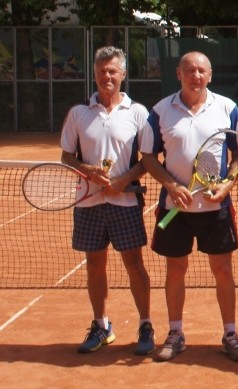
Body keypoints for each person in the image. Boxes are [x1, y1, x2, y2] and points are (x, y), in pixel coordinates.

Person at [141, 51, 238, 363]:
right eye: (190, 70)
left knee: (223, 271)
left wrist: (228, 184)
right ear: (179, 73)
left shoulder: (227, 108)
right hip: (175, 208)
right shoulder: (161, 111)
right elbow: (148, 156)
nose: (196, 76)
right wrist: (172, 186)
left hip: (216, 208)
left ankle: (230, 333)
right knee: (175, 270)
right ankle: (175, 333)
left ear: (210, 75)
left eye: (202, 71)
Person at [59, 46, 154, 355]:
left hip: (124, 203)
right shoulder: (78, 113)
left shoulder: (138, 113)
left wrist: (123, 180)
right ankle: (101, 325)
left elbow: (149, 160)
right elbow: (66, 156)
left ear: (123, 74)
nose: (107, 76)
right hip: (88, 204)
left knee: (134, 265)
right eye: (101, 71)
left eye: (112, 71)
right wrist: (87, 170)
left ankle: (145, 325)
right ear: (95, 74)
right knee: (94, 266)